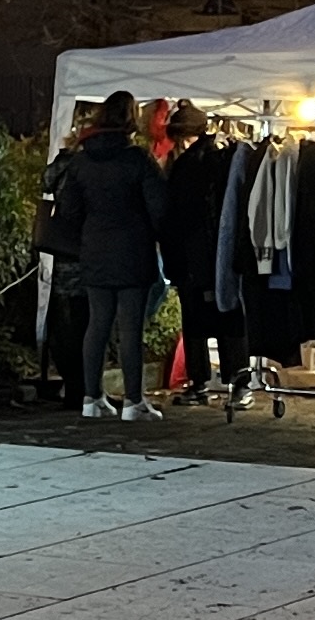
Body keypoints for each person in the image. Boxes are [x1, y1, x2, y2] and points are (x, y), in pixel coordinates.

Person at [49, 89, 171, 423]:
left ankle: (92, 398)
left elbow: (69, 211)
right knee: (130, 326)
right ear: (131, 119)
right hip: (133, 250)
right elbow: (159, 208)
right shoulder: (137, 159)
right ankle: (133, 402)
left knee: (97, 323)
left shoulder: (81, 161)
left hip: (94, 250)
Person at [159, 103, 234, 405]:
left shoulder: (187, 165)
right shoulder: (222, 159)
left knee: (195, 321)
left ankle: (200, 381)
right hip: (217, 255)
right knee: (226, 316)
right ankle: (235, 379)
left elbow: (175, 215)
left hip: (191, 256)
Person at [27, 103, 93, 404]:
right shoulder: (95, 164)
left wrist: (66, 155)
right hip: (90, 255)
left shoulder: (66, 165)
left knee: (67, 325)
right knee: (88, 324)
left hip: (65, 254)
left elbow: (46, 181)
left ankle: (73, 383)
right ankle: (83, 384)